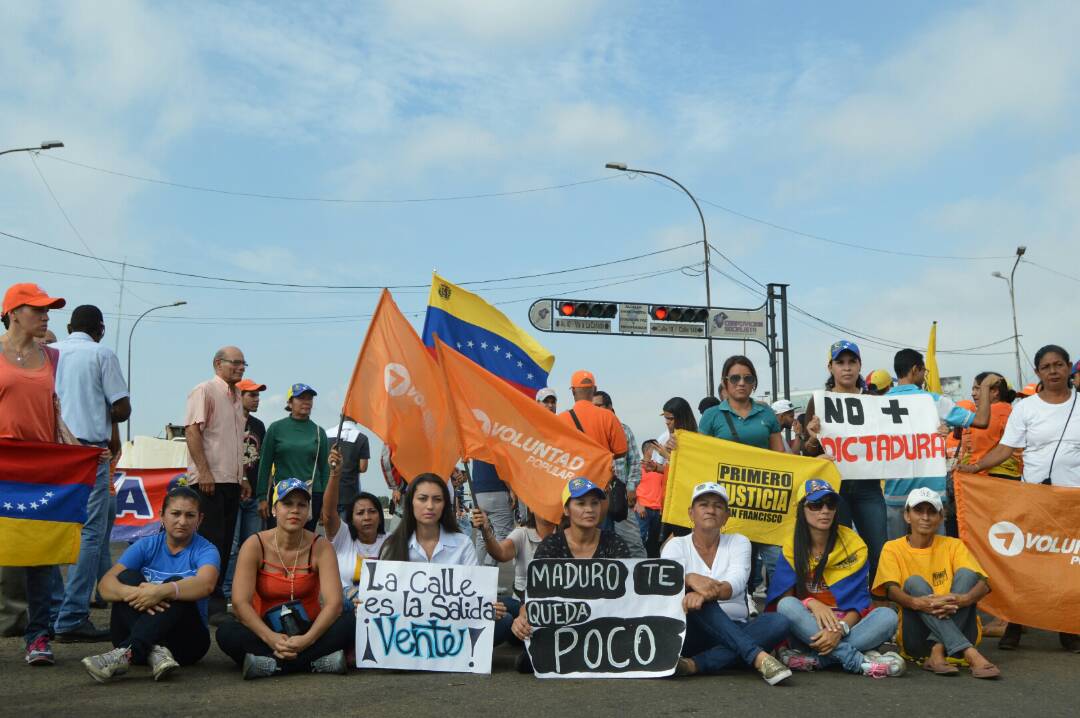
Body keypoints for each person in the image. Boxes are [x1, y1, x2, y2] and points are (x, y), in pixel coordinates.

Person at [958, 344, 1080, 652]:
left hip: (1072, 502)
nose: (1053, 371)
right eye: (1046, 366)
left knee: (1067, 566)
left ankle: (1068, 626)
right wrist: (974, 467)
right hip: (1034, 497)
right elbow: (1004, 449)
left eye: (1058, 365)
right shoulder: (1026, 409)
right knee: (1024, 564)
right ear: (1037, 372)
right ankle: (1015, 622)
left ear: (1068, 368)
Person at [80, 486, 219, 682]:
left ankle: (126, 653)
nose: (182, 521)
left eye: (190, 515)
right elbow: (105, 586)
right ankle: (154, 650)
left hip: (186, 645)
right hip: (136, 632)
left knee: (177, 584)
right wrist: (132, 592)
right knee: (127, 577)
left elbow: (206, 584)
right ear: (162, 515)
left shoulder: (206, 549)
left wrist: (161, 591)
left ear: (200, 519)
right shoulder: (147, 545)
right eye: (175, 514)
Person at [50, 305, 131, 643]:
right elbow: (122, 407)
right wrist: (103, 408)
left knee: (51, 531)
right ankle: (70, 618)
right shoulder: (102, 353)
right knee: (90, 535)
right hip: (88, 451)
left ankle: (53, 609)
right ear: (99, 329)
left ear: (69, 326)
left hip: (52, 450)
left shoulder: (50, 354)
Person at [216, 478, 352, 679]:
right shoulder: (255, 545)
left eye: (301, 505)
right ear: (274, 510)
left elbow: (334, 604)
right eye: (287, 504)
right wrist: (270, 638)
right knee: (226, 632)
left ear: (308, 512)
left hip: (310, 630)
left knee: (350, 622)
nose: (294, 510)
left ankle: (272, 665)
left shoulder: (321, 546)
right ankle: (314, 663)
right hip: (266, 631)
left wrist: (307, 640)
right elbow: (240, 603)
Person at [768, 480, 904, 678]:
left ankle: (818, 659)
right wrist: (811, 603)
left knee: (888, 616)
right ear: (802, 510)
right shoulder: (791, 545)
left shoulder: (853, 544)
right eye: (816, 505)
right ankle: (858, 661)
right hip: (807, 626)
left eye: (830, 504)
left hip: (847, 627)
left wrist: (838, 630)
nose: (824, 511)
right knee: (787, 606)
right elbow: (783, 602)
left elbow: (859, 605)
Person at [0, 282, 68, 666]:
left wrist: (80, 449)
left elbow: (55, 414)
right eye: (38, 310)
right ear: (13, 312)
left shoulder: (52, 358)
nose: (46, 316)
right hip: (3, 466)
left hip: (41, 468)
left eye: (48, 310)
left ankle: (38, 636)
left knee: (41, 555)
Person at [663, 482, 792, 684]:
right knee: (697, 601)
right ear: (691, 513)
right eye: (703, 504)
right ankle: (757, 657)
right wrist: (689, 579)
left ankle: (693, 665)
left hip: (736, 627)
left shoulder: (739, 541)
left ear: (726, 516)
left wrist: (703, 592)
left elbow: (736, 583)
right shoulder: (675, 545)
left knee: (780, 622)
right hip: (693, 631)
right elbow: (667, 587)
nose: (711, 510)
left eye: (718, 506)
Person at [871, 488, 1000, 678]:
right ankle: (969, 653)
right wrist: (917, 602)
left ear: (941, 518)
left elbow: (984, 584)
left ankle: (937, 652)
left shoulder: (953, 545)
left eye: (932, 512)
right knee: (914, 583)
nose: (925, 517)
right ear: (907, 516)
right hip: (917, 638)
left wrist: (963, 599)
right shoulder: (892, 548)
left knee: (967, 574)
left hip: (961, 624)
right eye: (918, 511)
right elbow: (890, 591)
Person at [510, 478, 631, 670]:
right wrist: (522, 617)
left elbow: (630, 593)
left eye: (595, 503)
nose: (589, 509)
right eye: (581, 503)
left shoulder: (614, 543)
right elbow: (534, 592)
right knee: (529, 661)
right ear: (566, 510)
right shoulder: (551, 545)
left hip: (606, 629)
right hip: (563, 629)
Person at [882, 349, 996, 540]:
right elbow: (982, 420)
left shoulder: (878, 404)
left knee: (897, 559)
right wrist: (984, 388)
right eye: (923, 371)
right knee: (936, 558)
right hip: (932, 498)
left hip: (895, 496)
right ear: (915, 370)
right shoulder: (933, 401)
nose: (924, 375)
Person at [802, 340, 888, 583]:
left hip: (868, 487)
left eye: (852, 362)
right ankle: (844, 600)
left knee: (878, 550)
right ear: (830, 367)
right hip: (834, 489)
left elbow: (895, 439)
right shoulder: (818, 401)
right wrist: (811, 438)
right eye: (840, 362)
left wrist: (934, 432)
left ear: (860, 365)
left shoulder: (874, 400)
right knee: (838, 549)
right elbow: (807, 453)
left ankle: (877, 601)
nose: (847, 368)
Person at [699, 356, 784, 600]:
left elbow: (782, 458)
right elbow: (699, 454)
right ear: (725, 382)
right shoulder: (713, 416)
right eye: (735, 378)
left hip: (766, 502)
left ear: (754, 383)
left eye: (747, 378)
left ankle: (779, 617)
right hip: (729, 504)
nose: (741, 383)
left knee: (777, 563)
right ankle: (737, 617)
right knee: (734, 565)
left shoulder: (767, 414)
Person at [185, 346, 248, 616]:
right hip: (209, 480)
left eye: (243, 363)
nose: (240, 367)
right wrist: (204, 471)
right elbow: (192, 431)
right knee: (209, 540)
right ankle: (204, 598)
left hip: (231, 480)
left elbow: (235, 443)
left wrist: (242, 476)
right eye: (235, 363)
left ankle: (216, 596)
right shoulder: (205, 390)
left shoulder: (236, 398)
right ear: (217, 364)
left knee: (225, 542)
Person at [256, 383, 330, 532]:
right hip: (283, 493)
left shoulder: (318, 432)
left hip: (311, 495)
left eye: (309, 398)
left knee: (306, 541)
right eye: (301, 398)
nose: (306, 402)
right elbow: (264, 464)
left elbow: (325, 470)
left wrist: (326, 505)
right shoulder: (276, 429)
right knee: (277, 540)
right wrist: (262, 497)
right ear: (290, 402)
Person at [222, 378, 267, 603]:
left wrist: (263, 495)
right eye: (252, 395)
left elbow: (264, 461)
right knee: (231, 546)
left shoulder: (259, 426)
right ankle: (228, 592)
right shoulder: (227, 421)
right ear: (238, 396)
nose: (257, 399)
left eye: (258, 395)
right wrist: (240, 478)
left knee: (252, 546)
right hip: (231, 492)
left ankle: (249, 592)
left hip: (255, 495)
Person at [322, 445, 386, 599]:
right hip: (345, 607)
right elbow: (329, 514)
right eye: (360, 513)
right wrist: (335, 474)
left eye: (372, 511)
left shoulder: (391, 542)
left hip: (381, 609)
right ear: (350, 519)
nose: (367, 517)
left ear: (380, 516)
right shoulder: (343, 537)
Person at [593, 389, 646, 558]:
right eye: (592, 407)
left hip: (620, 495)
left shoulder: (623, 430)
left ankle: (639, 580)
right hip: (595, 496)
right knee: (599, 545)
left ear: (610, 408)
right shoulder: (587, 432)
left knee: (633, 544)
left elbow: (635, 461)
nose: (595, 410)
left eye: (599, 406)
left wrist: (631, 489)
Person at [646, 397, 698, 544]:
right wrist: (657, 468)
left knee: (673, 544)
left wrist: (666, 455)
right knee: (657, 544)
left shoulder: (693, 439)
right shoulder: (670, 438)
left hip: (682, 504)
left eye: (671, 418)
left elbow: (690, 470)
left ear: (682, 417)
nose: (667, 422)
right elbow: (672, 470)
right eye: (666, 418)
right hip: (667, 501)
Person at [471, 508, 542, 602]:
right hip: (522, 602)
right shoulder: (522, 533)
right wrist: (486, 531)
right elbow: (500, 553)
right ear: (531, 508)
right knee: (490, 606)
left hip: (557, 606)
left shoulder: (565, 534)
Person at [469, 460, 517, 567]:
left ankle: (476, 570)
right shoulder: (495, 442)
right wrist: (511, 489)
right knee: (502, 533)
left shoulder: (477, 443)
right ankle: (488, 568)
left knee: (482, 535)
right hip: (497, 488)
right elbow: (502, 464)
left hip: (478, 490)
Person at [325, 414, 370, 521]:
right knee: (347, 533)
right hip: (350, 493)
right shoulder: (362, 438)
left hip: (328, 490)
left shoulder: (326, 434)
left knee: (330, 533)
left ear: (341, 416)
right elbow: (363, 467)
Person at [636, 440, 666, 557]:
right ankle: (636, 565)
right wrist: (638, 504)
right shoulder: (638, 468)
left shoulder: (660, 468)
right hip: (643, 509)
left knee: (656, 542)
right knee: (641, 538)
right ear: (648, 450)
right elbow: (630, 488)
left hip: (658, 511)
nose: (659, 451)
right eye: (656, 449)